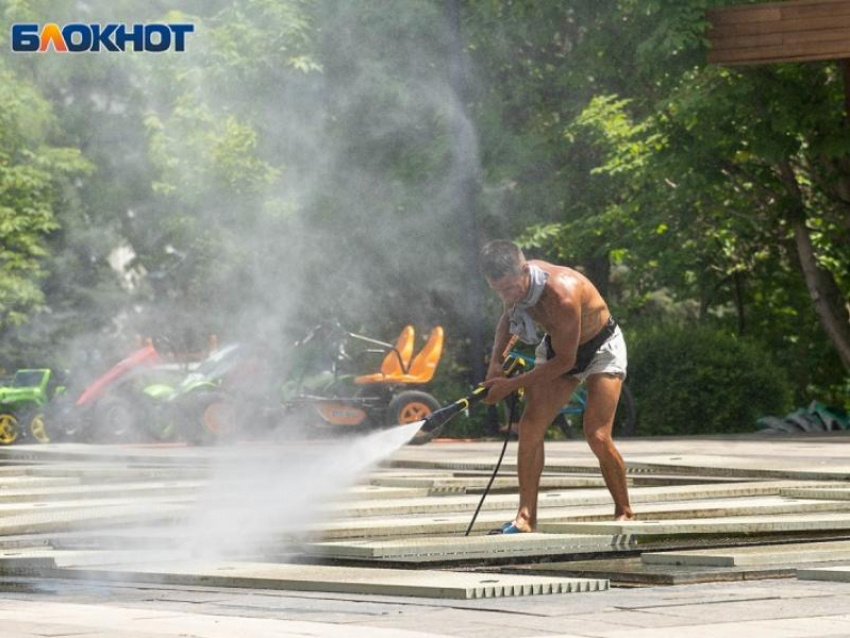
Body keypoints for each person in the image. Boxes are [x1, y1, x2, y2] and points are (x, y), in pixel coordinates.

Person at [480, 240, 634, 531]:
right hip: (558, 345)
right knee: (530, 426)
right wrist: (495, 365)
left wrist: (510, 385)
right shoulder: (513, 287)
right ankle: (526, 518)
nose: (506, 296)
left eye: (509, 288)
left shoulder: (562, 294)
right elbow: (507, 320)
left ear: (524, 270)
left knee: (597, 434)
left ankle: (624, 510)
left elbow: (565, 362)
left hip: (600, 347)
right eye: (498, 291)